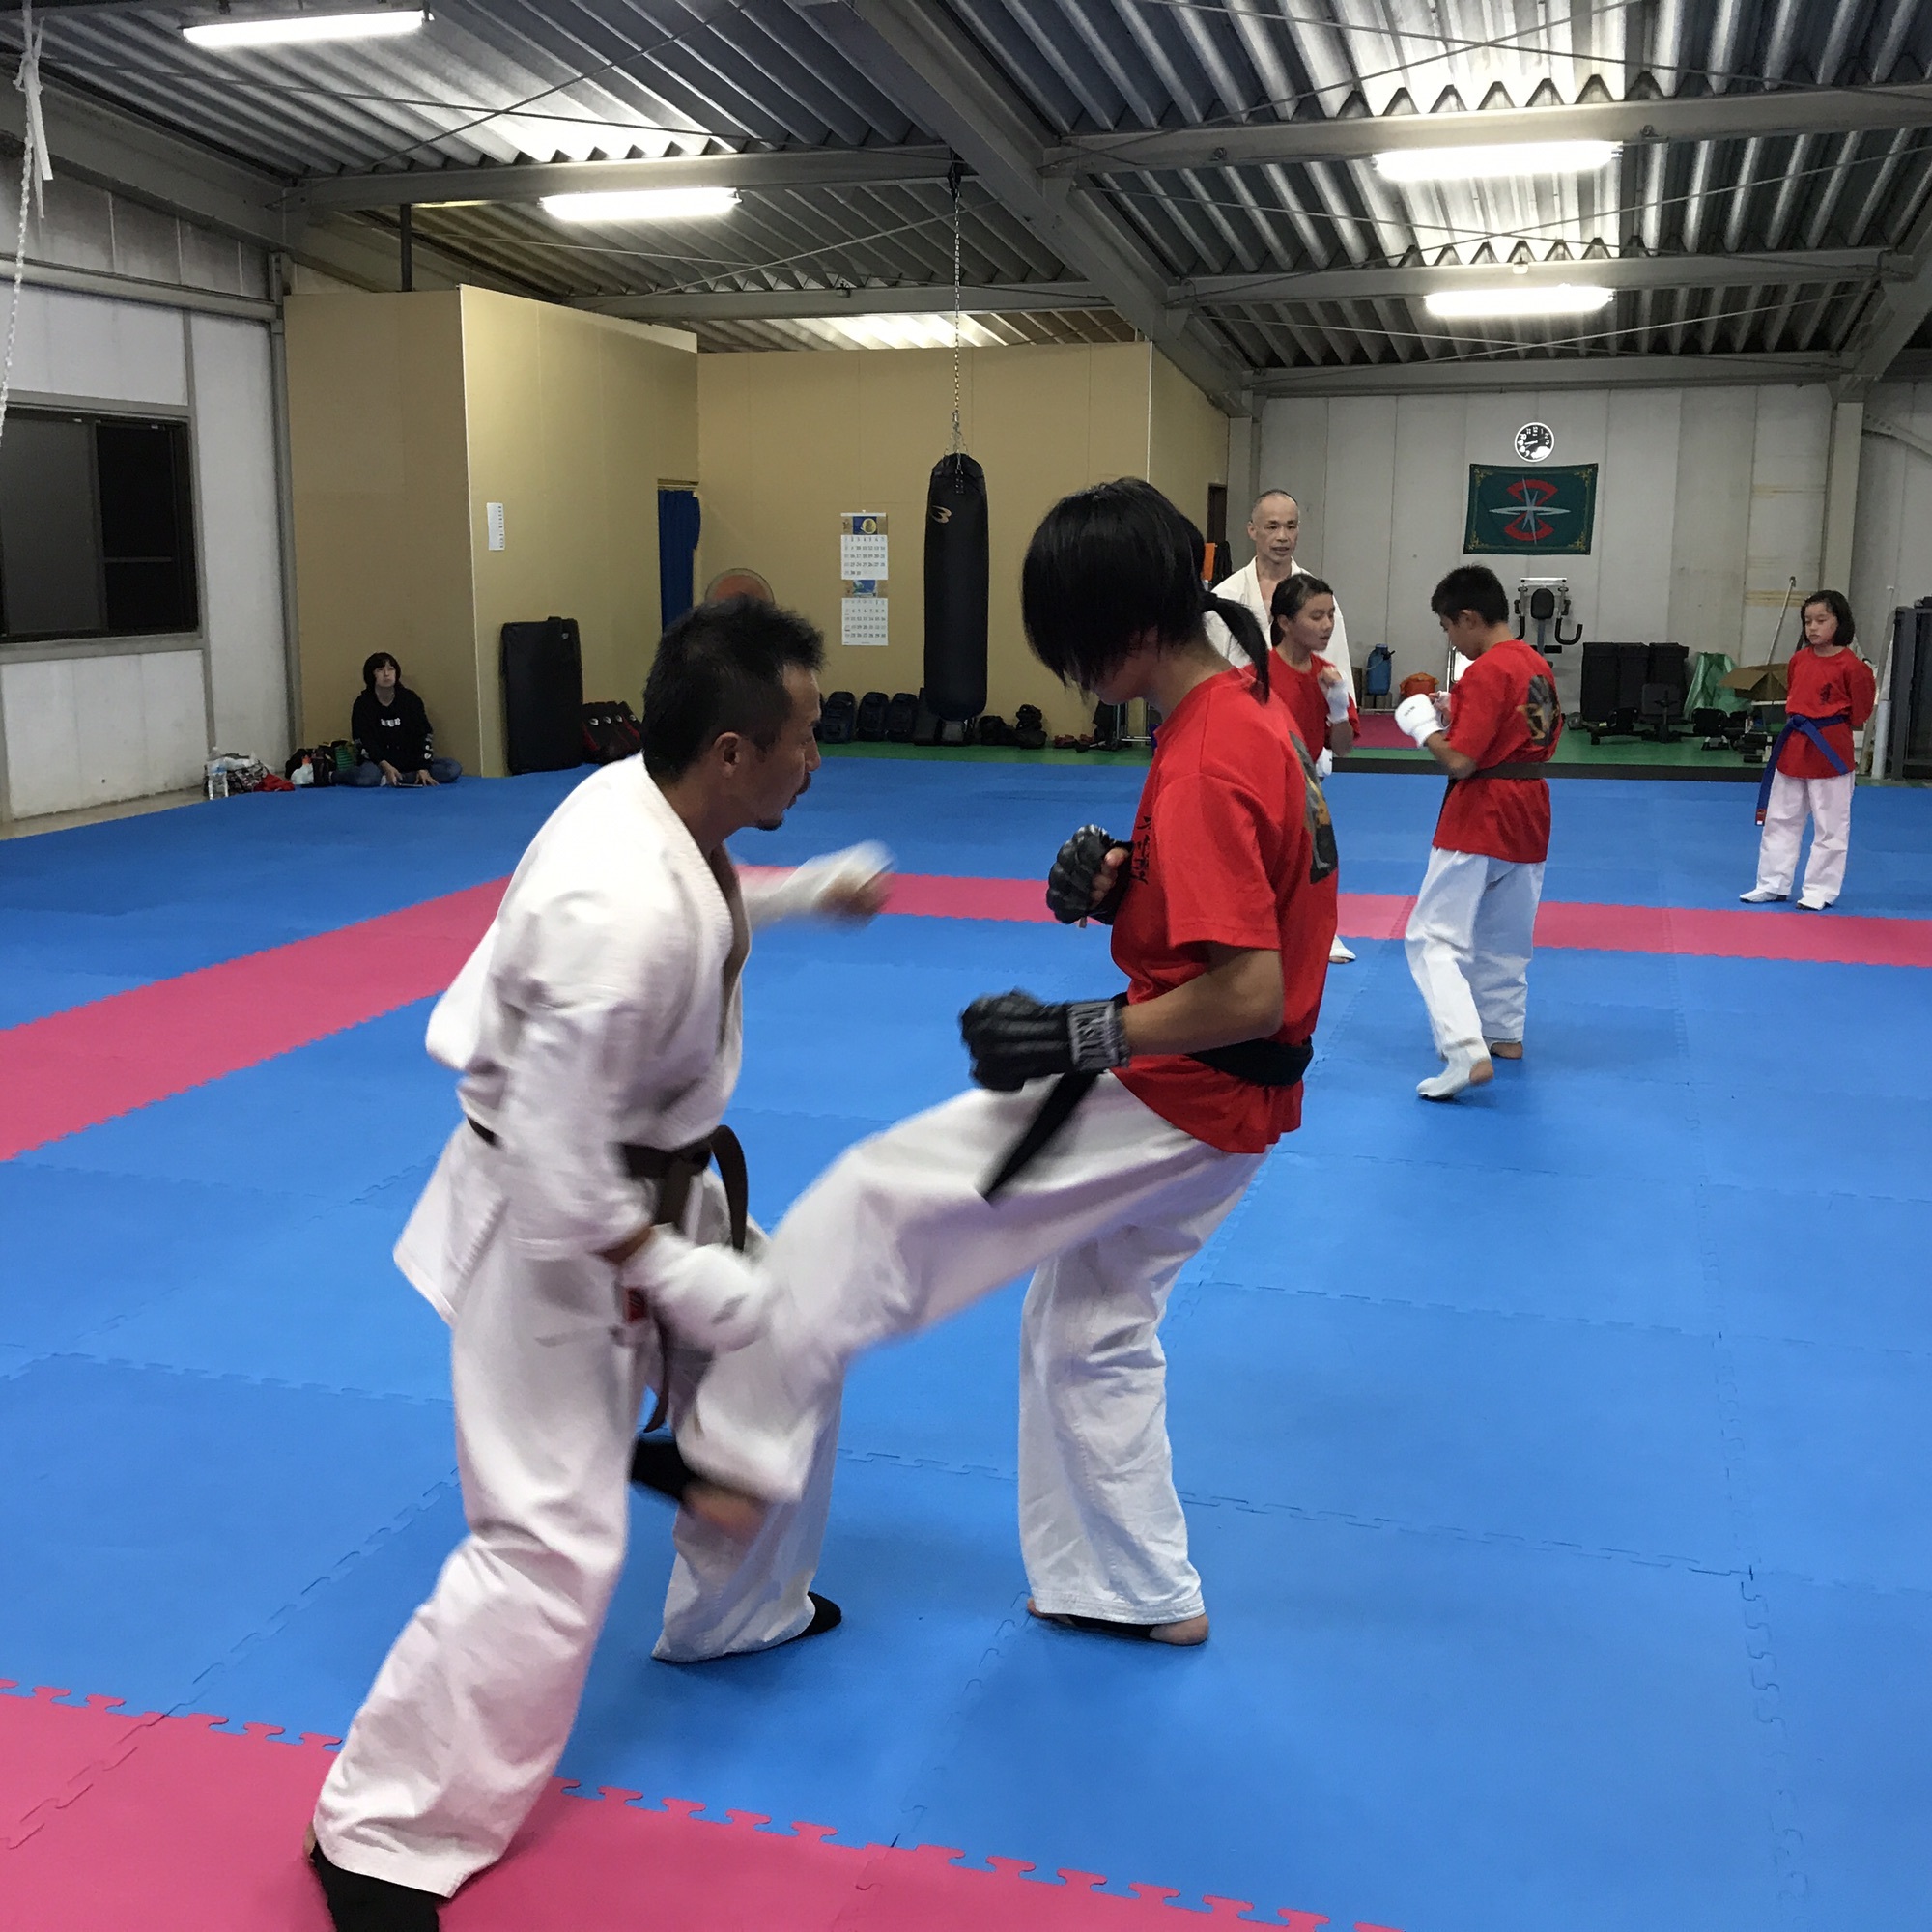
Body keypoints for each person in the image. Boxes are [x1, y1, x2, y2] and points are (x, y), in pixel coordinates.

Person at [661, 480, 1336, 1654]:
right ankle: (1133, 1584)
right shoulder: (1242, 705)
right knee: (1086, 1327)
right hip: (1238, 1104)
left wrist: (1080, 1034)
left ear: (1122, 624)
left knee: (871, 1200)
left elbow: (1248, 988)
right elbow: (1258, 889)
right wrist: (1126, 885)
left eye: (1069, 638)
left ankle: (731, 1487)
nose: (1065, 668)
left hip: (1182, 1093)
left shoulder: (1207, 754)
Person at [305, 598, 890, 1931]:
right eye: (803, 738)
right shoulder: (612, 915)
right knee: (550, 1543)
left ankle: (734, 1602)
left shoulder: (658, 803)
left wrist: (801, 894)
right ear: (732, 752)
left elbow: (700, 909)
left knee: (796, 1340)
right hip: (551, 1221)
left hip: (646, 1181)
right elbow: (557, 1169)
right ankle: (378, 1831)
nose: (817, 758)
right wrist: (679, 1279)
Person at [1392, 564, 1562, 1102]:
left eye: (1449, 627)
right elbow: (1512, 726)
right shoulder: (1535, 663)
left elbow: (1461, 760)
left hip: (1482, 811)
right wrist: (1457, 709)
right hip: (1530, 809)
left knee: (1431, 937)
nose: (1451, 639)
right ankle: (1504, 1034)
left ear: (1467, 618)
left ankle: (1464, 1047)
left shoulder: (1486, 670)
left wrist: (1424, 728)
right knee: (1505, 937)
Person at [1741, 589, 1876, 911]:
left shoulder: (1854, 668)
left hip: (1830, 749)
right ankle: (1772, 882)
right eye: (1808, 621)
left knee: (1831, 825)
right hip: (1794, 746)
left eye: (1821, 620)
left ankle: (1820, 889)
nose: (1813, 627)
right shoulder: (1799, 660)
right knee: (1780, 818)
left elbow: (1860, 713)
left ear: (1839, 622)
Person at [1268, 573, 1358, 965]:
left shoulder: (1328, 675)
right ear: (1285, 623)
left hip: (1308, 788)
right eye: (1316, 616)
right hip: (1265, 784)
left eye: (1331, 615)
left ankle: (1322, 932)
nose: (1327, 625)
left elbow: (1345, 747)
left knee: (1317, 864)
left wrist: (1337, 705)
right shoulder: (1258, 675)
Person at [1208, 490, 1352, 687]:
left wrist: (1339, 700)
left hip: (1303, 702)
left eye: (1290, 527)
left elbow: (1339, 671)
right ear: (1252, 530)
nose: (1282, 536)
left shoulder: (1319, 599)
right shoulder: (1226, 595)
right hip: (1240, 701)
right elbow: (1210, 673)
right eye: (1272, 527)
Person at [348, 653, 462, 787]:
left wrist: (423, 767)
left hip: (410, 761)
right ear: (371, 675)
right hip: (378, 763)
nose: (386, 674)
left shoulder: (410, 700)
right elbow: (365, 741)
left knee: (452, 768)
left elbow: (423, 734)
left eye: (391, 669)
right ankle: (334, 775)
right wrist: (385, 766)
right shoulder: (363, 704)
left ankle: (393, 779)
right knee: (366, 778)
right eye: (380, 670)